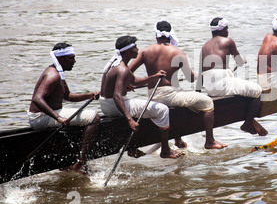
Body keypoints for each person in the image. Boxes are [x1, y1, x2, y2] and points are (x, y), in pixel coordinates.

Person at [129, 21, 226, 149]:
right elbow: (190, 78)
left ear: (156, 36)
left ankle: (178, 140)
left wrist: (131, 83)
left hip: (152, 96)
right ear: (170, 35)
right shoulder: (178, 52)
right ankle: (210, 141)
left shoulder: (145, 51)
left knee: (179, 93)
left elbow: (128, 71)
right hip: (169, 97)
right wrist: (198, 75)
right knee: (208, 102)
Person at [99, 35, 184, 159]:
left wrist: (154, 76)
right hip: (115, 105)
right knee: (163, 110)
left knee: (146, 107)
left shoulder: (114, 63)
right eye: (135, 48)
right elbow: (117, 96)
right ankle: (165, 150)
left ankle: (133, 147)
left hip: (106, 105)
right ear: (128, 51)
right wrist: (129, 119)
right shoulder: (122, 69)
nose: (138, 50)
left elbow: (134, 82)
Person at [28, 42, 100, 175]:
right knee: (94, 117)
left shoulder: (58, 73)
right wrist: (58, 118)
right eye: (71, 58)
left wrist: (90, 95)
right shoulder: (53, 75)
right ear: (61, 59)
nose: (74, 61)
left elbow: (68, 96)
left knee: (84, 117)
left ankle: (66, 164)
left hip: (48, 115)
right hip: (40, 117)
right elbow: (37, 99)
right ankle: (82, 161)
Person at [200, 17, 268, 136]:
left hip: (210, 88)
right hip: (222, 84)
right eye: (226, 29)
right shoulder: (228, 41)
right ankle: (247, 123)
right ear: (221, 31)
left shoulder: (204, 46)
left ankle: (248, 119)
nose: (228, 31)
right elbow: (239, 62)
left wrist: (198, 93)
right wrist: (243, 60)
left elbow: (201, 72)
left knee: (243, 88)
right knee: (258, 91)